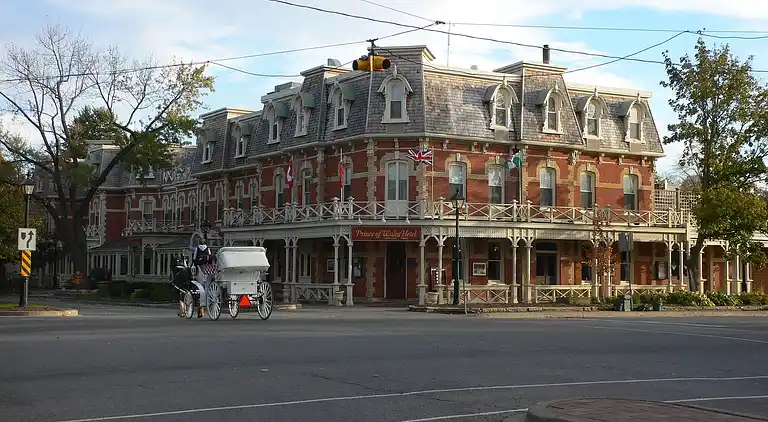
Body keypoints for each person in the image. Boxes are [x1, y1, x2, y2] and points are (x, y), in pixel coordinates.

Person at [191, 238, 213, 318]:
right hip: (207, 267)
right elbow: (210, 258)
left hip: (199, 266)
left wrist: (194, 264)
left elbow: (194, 258)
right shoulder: (208, 249)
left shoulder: (197, 249)